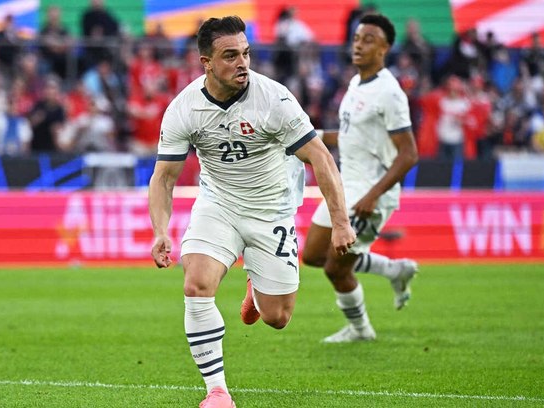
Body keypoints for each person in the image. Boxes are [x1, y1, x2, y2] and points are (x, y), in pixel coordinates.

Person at [148, 16, 355, 408]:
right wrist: (161, 230)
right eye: (230, 56)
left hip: (271, 209)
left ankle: (256, 289)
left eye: (246, 53)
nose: (242, 63)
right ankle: (217, 392)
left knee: (278, 317)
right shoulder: (184, 109)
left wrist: (340, 222)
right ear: (206, 62)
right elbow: (164, 177)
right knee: (196, 283)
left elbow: (320, 158)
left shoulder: (273, 99)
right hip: (219, 204)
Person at [301, 14, 420, 343]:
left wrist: (372, 196)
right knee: (311, 255)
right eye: (356, 38)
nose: (358, 44)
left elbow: (409, 153)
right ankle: (393, 270)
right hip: (344, 184)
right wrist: (313, 137)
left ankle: (360, 329)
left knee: (335, 269)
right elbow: (353, 135)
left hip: (370, 192)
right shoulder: (355, 84)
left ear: (385, 48)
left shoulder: (390, 93)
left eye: (368, 39)